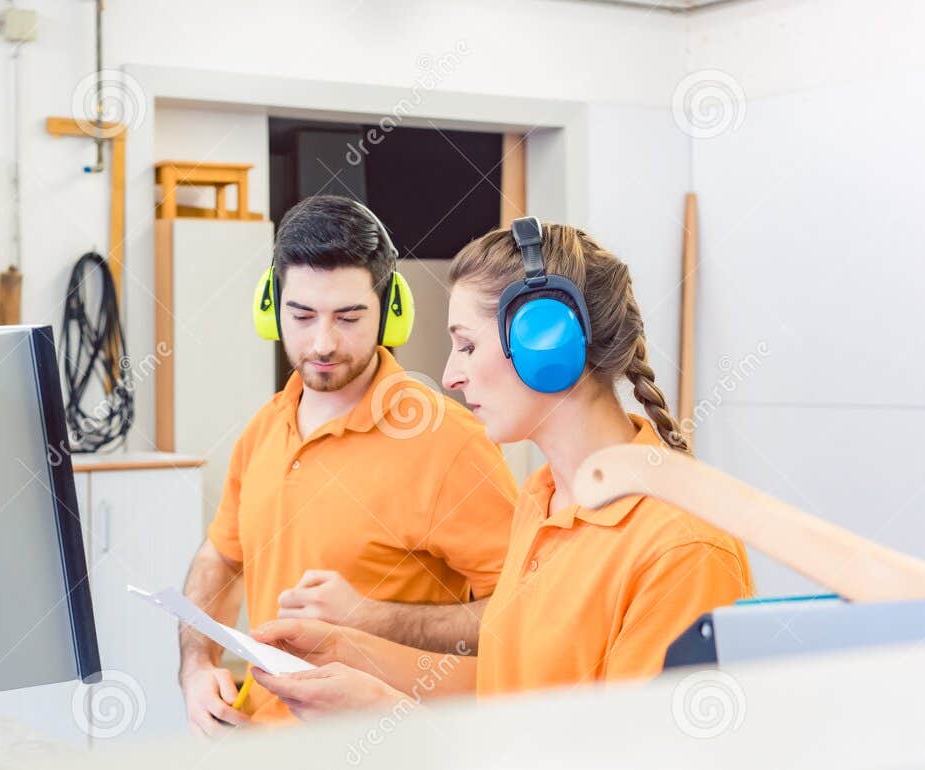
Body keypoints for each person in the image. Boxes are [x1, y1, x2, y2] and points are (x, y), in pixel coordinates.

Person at [249, 218, 754, 718]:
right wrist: (350, 653)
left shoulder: (682, 548)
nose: (451, 375)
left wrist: (389, 714)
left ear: (546, 343)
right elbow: (504, 688)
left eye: (467, 345)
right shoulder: (543, 500)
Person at [178, 195, 518, 735]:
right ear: (271, 309)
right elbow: (222, 555)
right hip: (260, 743)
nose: (323, 342)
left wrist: (369, 617)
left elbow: (521, 619)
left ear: (390, 310)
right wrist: (198, 666)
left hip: (386, 756)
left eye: (349, 317)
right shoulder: (264, 430)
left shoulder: (449, 443)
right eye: (303, 315)